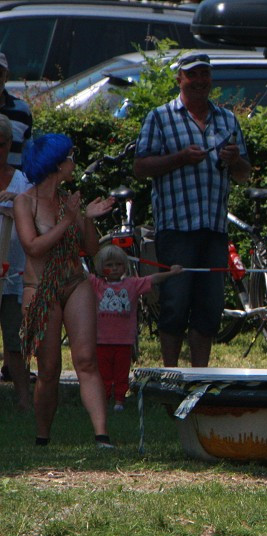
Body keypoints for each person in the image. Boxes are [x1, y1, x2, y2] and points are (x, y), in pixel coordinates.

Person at [133, 52, 251, 368]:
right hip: (176, 227)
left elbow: (244, 174)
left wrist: (235, 159)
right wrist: (179, 158)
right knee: (174, 303)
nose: (199, 81)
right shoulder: (159, 117)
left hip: (214, 228)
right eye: (192, 75)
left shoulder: (227, 120)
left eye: (204, 75)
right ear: (179, 79)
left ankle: (199, 375)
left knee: (209, 306)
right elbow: (141, 167)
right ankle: (171, 373)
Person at [14, 134, 115, 447]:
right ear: (57, 163)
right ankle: (43, 436)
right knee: (49, 369)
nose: (74, 161)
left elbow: (92, 249)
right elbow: (33, 247)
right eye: (71, 155)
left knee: (86, 360)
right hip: (40, 288)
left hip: (74, 282)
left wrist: (86, 220)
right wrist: (68, 220)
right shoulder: (25, 201)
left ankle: (102, 434)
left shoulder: (71, 199)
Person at [91, 244, 182, 410]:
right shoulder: (97, 285)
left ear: (125, 266)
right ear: (101, 268)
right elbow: (78, 274)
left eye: (118, 264)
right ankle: (103, 400)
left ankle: (119, 399)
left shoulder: (132, 284)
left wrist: (172, 273)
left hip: (124, 341)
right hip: (101, 340)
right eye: (109, 265)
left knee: (121, 373)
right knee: (103, 374)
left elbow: (153, 279)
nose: (115, 268)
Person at [0, 115, 32, 411]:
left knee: (14, 341)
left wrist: (17, 206)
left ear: (9, 144)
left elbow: (35, 225)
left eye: (1, 144)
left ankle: (24, 399)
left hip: (13, 275)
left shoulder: (23, 182)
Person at [0, 53, 32, 168]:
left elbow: (28, 150)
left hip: (13, 182)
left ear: (6, 77)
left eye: (0, 73)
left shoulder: (22, 110)